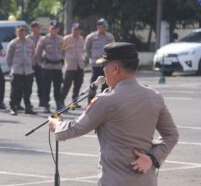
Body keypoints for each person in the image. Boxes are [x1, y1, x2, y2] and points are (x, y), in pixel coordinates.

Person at [48, 42, 179, 186]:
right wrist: (152, 158)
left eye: (105, 66)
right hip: (146, 180)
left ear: (115, 68)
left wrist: (56, 124)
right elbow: (171, 134)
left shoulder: (106, 100)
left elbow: (75, 129)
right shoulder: (154, 96)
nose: (103, 70)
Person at [6, 25, 37, 116]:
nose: (21, 33)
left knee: (28, 90)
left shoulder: (30, 42)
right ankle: (13, 107)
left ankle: (28, 107)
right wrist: (11, 68)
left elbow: (33, 54)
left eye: (23, 31)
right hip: (17, 70)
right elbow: (8, 57)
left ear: (26, 32)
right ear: (16, 32)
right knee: (15, 90)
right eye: (19, 31)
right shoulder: (13, 43)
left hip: (28, 70)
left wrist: (31, 64)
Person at [36, 21, 64, 113]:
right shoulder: (43, 39)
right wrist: (41, 63)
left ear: (58, 29)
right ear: (49, 29)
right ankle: (46, 105)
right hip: (47, 67)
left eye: (55, 29)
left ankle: (58, 104)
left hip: (57, 67)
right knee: (46, 88)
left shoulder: (61, 39)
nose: (54, 30)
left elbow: (64, 51)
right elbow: (38, 52)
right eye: (52, 28)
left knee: (57, 87)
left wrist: (62, 59)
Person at [84, 18, 114, 102]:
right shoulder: (91, 37)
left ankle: (103, 101)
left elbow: (113, 47)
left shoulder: (110, 36)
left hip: (106, 64)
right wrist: (91, 57)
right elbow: (87, 49)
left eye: (105, 27)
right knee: (94, 83)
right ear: (98, 26)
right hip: (95, 64)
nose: (105, 28)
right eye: (103, 26)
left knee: (106, 83)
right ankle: (90, 102)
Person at [60, 23, 85, 108]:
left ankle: (74, 102)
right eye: (75, 29)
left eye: (78, 30)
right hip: (70, 65)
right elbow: (62, 50)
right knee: (66, 85)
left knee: (78, 85)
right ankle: (61, 101)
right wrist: (63, 61)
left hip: (79, 65)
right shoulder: (67, 38)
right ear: (72, 30)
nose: (76, 31)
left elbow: (83, 50)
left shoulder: (81, 39)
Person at [27, 21, 43, 107]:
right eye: (37, 27)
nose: (38, 29)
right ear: (33, 28)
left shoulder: (42, 38)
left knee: (41, 83)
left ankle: (42, 101)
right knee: (28, 84)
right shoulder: (28, 38)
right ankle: (28, 101)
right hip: (30, 64)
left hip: (40, 64)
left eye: (39, 27)